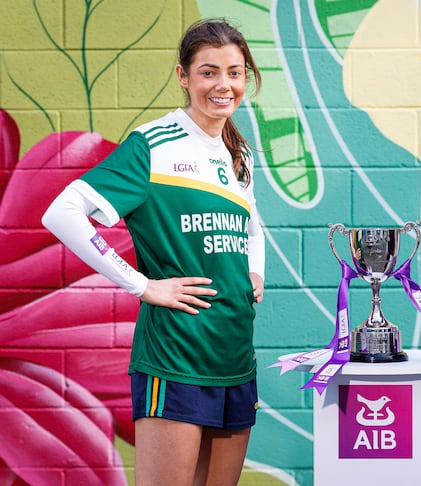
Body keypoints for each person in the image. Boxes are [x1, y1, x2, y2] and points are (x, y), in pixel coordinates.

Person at [41, 18, 265, 486]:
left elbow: (251, 220)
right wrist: (142, 285)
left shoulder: (237, 152)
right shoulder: (154, 144)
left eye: (235, 71)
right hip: (176, 356)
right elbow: (62, 213)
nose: (224, 85)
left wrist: (255, 273)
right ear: (184, 77)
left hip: (234, 354)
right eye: (208, 72)